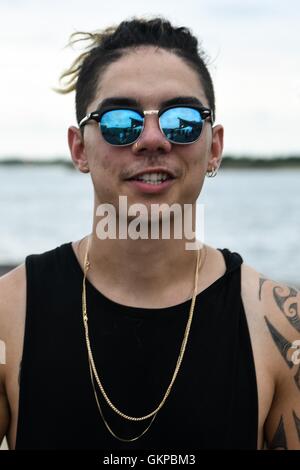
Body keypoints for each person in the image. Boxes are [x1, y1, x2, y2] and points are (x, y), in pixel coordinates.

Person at [0, 17, 299, 451]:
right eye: (121, 121)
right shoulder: (9, 315)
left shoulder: (276, 328)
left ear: (213, 147)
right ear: (79, 149)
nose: (153, 139)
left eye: (182, 120)